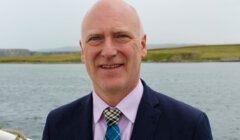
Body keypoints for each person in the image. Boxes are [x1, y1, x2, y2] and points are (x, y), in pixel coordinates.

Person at [42, 0, 213, 140]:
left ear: (143, 45)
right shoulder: (57, 125)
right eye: (95, 38)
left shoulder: (190, 127)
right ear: (82, 51)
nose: (108, 51)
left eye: (121, 36)